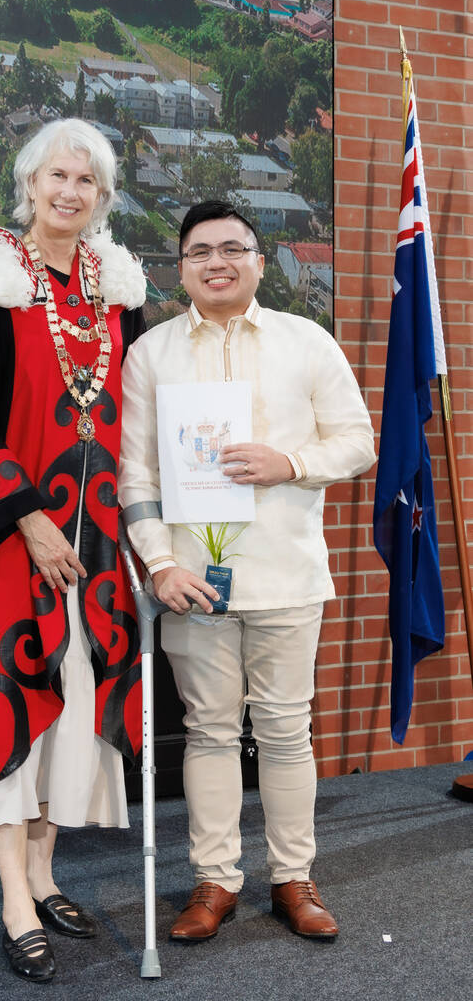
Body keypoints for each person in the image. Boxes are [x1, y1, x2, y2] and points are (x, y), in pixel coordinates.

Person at [0, 118, 146, 983]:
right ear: (29, 181)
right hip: (11, 541)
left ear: (103, 196)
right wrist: (25, 518)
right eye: (57, 175)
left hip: (95, 544)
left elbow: (132, 409)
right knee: (12, 706)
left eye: (86, 181)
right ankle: (15, 898)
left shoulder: (114, 286)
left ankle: (47, 874)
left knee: (75, 710)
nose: (69, 192)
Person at [118, 201, 375, 943]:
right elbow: (135, 474)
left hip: (285, 573)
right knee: (208, 733)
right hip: (190, 582)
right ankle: (215, 880)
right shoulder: (153, 353)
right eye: (199, 252)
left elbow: (356, 442)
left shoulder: (305, 341)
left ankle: (293, 878)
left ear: (259, 261)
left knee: (287, 732)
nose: (216, 262)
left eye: (232, 248)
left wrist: (287, 463)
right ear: (181, 268)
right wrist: (160, 564)